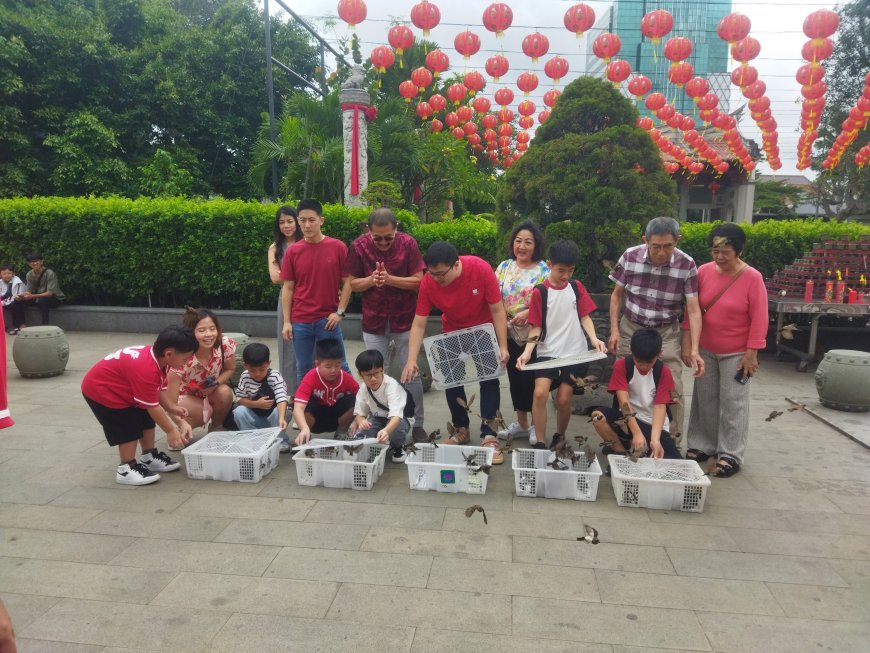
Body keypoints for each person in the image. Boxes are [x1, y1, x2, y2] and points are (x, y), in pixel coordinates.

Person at [401, 242, 509, 464]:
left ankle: (489, 434)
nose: (437, 279)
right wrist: (411, 360)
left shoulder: (480, 268)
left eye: (441, 274)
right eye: (432, 274)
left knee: (489, 380)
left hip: (482, 330)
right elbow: (419, 322)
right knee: (451, 381)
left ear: (456, 264)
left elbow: (498, 309)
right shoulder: (429, 282)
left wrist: (503, 346)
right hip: (451, 331)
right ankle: (460, 428)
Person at [608, 217, 704, 444]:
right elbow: (616, 296)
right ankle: (622, 438)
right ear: (645, 241)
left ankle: (672, 440)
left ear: (677, 241)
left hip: (665, 332)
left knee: (674, 386)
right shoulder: (630, 256)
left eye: (668, 246)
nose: (662, 252)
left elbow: (693, 308)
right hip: (631, 327)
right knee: (623, 382)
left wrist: (695, 349)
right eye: (656, 246)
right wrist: (614, 330)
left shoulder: (687, 264)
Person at [683, 223, 768, 478]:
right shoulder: (704, 271)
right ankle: (702, 444)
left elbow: (760, 318)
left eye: (726, 252)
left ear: (739, 251)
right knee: (704, 399)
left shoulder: (752, 277)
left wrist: (752, 352)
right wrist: (688, 342)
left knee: (733, 402)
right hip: (706, 349)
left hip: (737, 353)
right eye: (715, 250)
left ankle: (730, 453)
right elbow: (692, 307)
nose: (719, 257)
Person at [344, 208, 427, 441]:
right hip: (374, 320)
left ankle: (417, 422)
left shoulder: (408, 244)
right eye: (377, 237)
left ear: (396, 228)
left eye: (388, 237)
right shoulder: (358, 247)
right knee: (372, 374)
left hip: (405, 318)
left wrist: (390, 279)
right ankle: (376, 419)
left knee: (410, 372)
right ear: (368, 231)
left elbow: (419, 281)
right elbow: (352, 284)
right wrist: (372, 279)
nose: (382, 242)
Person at [517, 240, 607, 450]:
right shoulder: (540, 292)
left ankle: (560, 435)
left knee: (564, 399)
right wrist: (527, 352)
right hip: (548, 352)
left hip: (575, 352)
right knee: (540, 393)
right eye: (561, 270)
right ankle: (539, 440)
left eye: (570, 270)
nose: (566, 275)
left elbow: (585, 317)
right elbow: (536, 327)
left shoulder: (576, 287)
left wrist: (593, 339)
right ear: (549, 264)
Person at [81, 325, 196, 485]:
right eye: (185, 359)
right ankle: (126, 468)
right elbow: (153, 406)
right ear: (169, 354)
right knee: (127, 425)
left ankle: (149, 456)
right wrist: (170, 431)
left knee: (145, 418)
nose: (187, 362)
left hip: (122, 389)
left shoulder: (161, 361)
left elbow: (157, 391)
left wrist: (170, 407)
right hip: (103, 392)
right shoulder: (147, 368)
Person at [280, 199, 351, 384]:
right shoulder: (293, 251)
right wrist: (287, 322)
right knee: (303, 368)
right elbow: (288, 288)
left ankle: (352, 406)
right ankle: (306, 410)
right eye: (302, 220)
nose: (307, 225)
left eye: (311, 220)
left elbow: (348, 282)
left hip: (328, 320)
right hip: (301, 320)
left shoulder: (338, 247)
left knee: (340, 365)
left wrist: (340, 312)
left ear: (322, 220)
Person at [494, 220, 549, 445]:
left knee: (532, 381)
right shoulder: (505, 266)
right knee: (515, 380)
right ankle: (522, 424)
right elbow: (494, 296)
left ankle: (536, 426)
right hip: (507, 332)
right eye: (518, 241)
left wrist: (527, 312)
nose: (522, 247)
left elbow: (548, 298)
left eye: (528, 242)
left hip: (533, 334)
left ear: (536, 245)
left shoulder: (543, 269)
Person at [590, 328, 681, 460]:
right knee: (597, 416)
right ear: (632, 353)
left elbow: (660, 407)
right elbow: (624, 401)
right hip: (627, 420)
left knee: (673, 463)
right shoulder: (622, 365)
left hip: (653, 424)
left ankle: (643, 447)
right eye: (639, 361)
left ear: (659, 354)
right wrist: (637, 433)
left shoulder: (663, 372)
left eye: (649, 362)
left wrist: (655, 440)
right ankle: (620, 453)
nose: (643, 366)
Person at [165, 307, 236, 442]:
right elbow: (169, 403)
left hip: (210, 391)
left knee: (225, 392)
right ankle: (179, 433)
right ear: (190, 333)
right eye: (202, 330)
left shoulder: (224, 344)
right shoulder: (182, 354)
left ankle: (216, 427)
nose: (209, 334)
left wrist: (216, 383)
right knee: (199, 410)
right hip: (184, 396)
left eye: (212, 328)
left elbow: (230, 369)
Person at [350, 349, 412, 463]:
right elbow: (359, 414)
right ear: (360, 375)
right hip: (378, 417)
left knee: (395, 429)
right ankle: (373, 446)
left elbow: (396, 417)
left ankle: (399, 446)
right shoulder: (363, 388)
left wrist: (386, 431)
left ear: (382, 369)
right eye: (368, 375)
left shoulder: (391, 386)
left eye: (376, 373)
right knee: (364, 431)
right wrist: (361, 421)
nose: (373, 378)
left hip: (400, 418)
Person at [293, 338, 359, 445]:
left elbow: (364, 399)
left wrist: (358, 421)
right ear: (317, 364)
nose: (333, 370)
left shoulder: (346, 378)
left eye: (337, 365)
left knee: (355, 400)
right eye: (328, 366)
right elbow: (298, 408)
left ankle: (341, 434)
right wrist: (304, 427)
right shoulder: (310, 377)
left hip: (336, 419)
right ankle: (304, 437)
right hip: (315, 421)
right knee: (306, 403)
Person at [267, 205, 301, 398]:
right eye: (282, 222)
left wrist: (287, 275)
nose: (286, 226)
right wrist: (296, 275)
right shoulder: (275, 248)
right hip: (286, 299)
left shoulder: (307, 243)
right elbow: (274, 277)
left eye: (290, 221)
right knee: (287, 345)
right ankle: (291, 394)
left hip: (308, 297)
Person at [232, 342, 290, 451]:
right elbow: (239, 399)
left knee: (281, 412)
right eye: (252, 370)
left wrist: (281, 418)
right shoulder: (245, 376)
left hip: (274, 419)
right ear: (245, 366)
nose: (257, 374)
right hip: (254, 417)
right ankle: (250, 439)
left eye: (261, 370)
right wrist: (256, 404)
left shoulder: (275, 376)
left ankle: (280, 440)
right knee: (238, 411)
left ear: (268, 364)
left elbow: (282, 397)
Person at [16, 252, 65, 325]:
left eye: (36, 261)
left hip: (55, 299)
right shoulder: (29, 274)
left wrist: (32, 296)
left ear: (41, 261)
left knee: (43, 300)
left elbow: (49, 293)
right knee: (17, 300)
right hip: (38, 298)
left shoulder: (49, 273)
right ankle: (21, 324)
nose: (35, 263)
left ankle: (45, 325)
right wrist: (22, 296)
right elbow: (29, 291)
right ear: (29, 264)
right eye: (32, 262)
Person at [1, 263, 26, 334]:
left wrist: (2, 303)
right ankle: (10, 327)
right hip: (4, 302)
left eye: (9, 273)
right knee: (4, 307)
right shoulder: (0, 282)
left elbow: (16, 296)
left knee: (14, 303)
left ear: (13, 274)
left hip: (17, 300)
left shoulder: (18, 282)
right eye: (4, 274)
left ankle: (20, 324)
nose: (6, 275)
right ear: (0, 275)